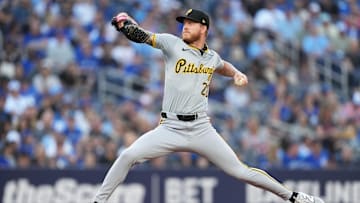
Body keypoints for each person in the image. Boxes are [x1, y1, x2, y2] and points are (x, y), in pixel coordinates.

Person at [93, 9, 325, 203]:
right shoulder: (172, 44)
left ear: (203, 28)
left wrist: (236, 73)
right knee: (127, 156)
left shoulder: (211, 57)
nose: (185, 26)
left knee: (240, 171)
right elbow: (142, 36)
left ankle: (294, 198)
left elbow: (222, 66)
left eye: (190, 23)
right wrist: (125, 26)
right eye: (184, 22)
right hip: (170, 127)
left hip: (201, 128)